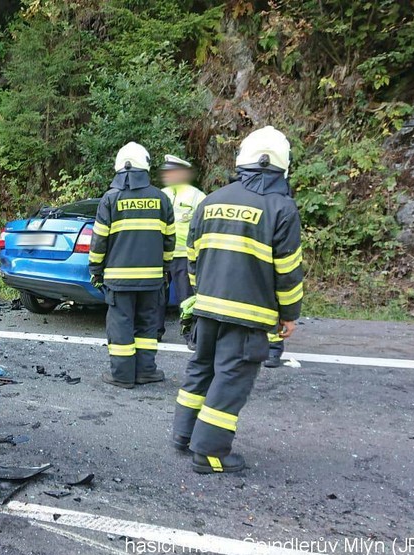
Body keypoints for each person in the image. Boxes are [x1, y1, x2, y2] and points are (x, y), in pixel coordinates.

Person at [170, 126, 303, 474]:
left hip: (207, 307)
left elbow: (193, 256)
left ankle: (184, 435)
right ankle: (209, 453)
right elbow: (287, 270)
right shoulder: (282, 208)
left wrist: (202, 293)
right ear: (280, 165)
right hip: (248, 315)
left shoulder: (211, 200)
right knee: (231, 380)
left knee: (201, 369)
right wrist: (289, 314)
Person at [89, 141, 176, 388]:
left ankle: (122, 375)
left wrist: (95, 270)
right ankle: (146, 371)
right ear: (145, 167)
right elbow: (170, 240)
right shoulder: (161, 199)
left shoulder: (110, 199)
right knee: (148, 325)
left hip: (119, 281)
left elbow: (99, 241)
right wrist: (165, 269)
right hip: (152, 279)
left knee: (121, 326)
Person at [156, 155, 206, 342]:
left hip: (185, 254)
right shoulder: (162, 194)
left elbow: (204, 226)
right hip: (162, 253)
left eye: (171, 172)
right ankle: (156, 331)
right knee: (158, 294)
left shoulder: (197, 196)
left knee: (186, 297)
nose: (167, 175)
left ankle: (189, 333)